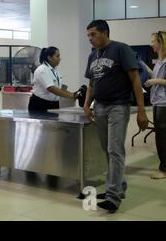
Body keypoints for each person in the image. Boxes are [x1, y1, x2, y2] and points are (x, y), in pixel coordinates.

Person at [83, 19, 148, 213]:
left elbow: (135, 79)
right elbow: (91, 84)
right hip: (100, 107)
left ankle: (113, 197)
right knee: (107, 149)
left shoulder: (122, 49)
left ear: (105, 33)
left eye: (93, 34)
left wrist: (142, 111)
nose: (90, 39)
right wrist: (86, 105)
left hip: (119, 106)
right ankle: (120, 187)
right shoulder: (92, 55)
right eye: (88, 35)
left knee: (115, 149)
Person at [143, 31, 166, 180]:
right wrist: (144, 67)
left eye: (153, 41)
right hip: (157, 102)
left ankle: (164, 170)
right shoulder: (159, 62)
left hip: (164, 104)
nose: (151, 44)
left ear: (161, 43)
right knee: (161, 136)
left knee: (162, 138)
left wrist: (154, 82)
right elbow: (156, 76)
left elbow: (161, 80)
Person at [28, 47, 79, 112]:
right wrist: (72, 95)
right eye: (57, 56)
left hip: (53, 104)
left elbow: (59, 88)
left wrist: (74, 94)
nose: (60, 59)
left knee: (54, 122)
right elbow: (52, 89)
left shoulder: (55, 70)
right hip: (40, 104)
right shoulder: (42, 70)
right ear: (49, 58)